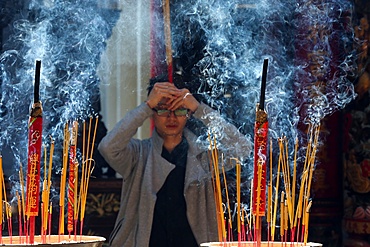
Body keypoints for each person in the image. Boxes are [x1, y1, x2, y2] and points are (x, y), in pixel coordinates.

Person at [98, 79, 252, 247]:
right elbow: (108, 147)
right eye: (163, 109)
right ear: (152, 113)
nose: (171, 117)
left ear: (188, 114)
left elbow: (243, 147)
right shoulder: (138, 154)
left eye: (180, 109)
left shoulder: (205, 157)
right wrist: (146, 106)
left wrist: (198, 108)